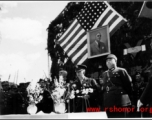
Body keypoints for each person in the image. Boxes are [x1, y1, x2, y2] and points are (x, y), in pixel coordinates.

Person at [101, 54, 133, 118]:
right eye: (107, 61)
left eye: (110, 60)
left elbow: (128, 85)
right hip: (108, 100)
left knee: (120, 117)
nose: (108, 62)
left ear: (115, 61)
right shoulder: (104, 73)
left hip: (119, 100)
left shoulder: (121, 71)